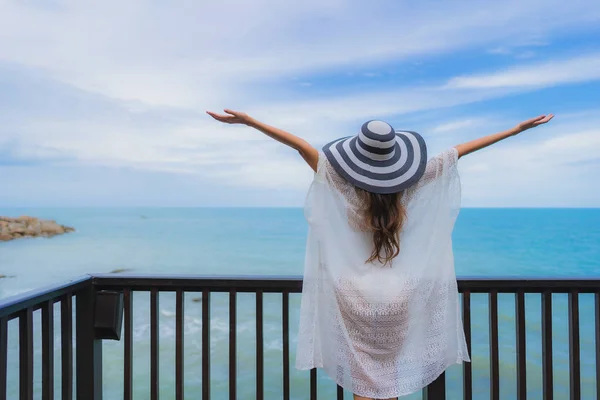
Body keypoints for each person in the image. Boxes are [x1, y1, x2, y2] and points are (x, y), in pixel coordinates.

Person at [207, 109, 553, 400]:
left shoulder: (343, 183)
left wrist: (250, 122)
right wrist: (516, 129)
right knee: (390, 381)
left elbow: (300, 146)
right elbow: (458, 151)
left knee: (363, 382)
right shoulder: (413, 183)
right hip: (399, 296)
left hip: (355, 297)